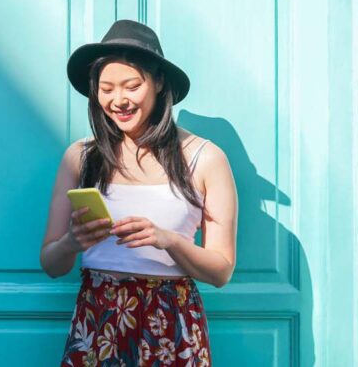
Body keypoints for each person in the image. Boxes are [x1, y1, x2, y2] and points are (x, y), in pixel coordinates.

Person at [39, 19, 238, 366]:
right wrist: (72, 241)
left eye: (131, 86)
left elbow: (221, 271)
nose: (119, 100)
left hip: (172, 323)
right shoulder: (81, 157)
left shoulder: (205, 158)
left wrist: (168, 240)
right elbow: (51, 264)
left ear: (159, 82)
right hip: (97, 320)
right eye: (106, 88)